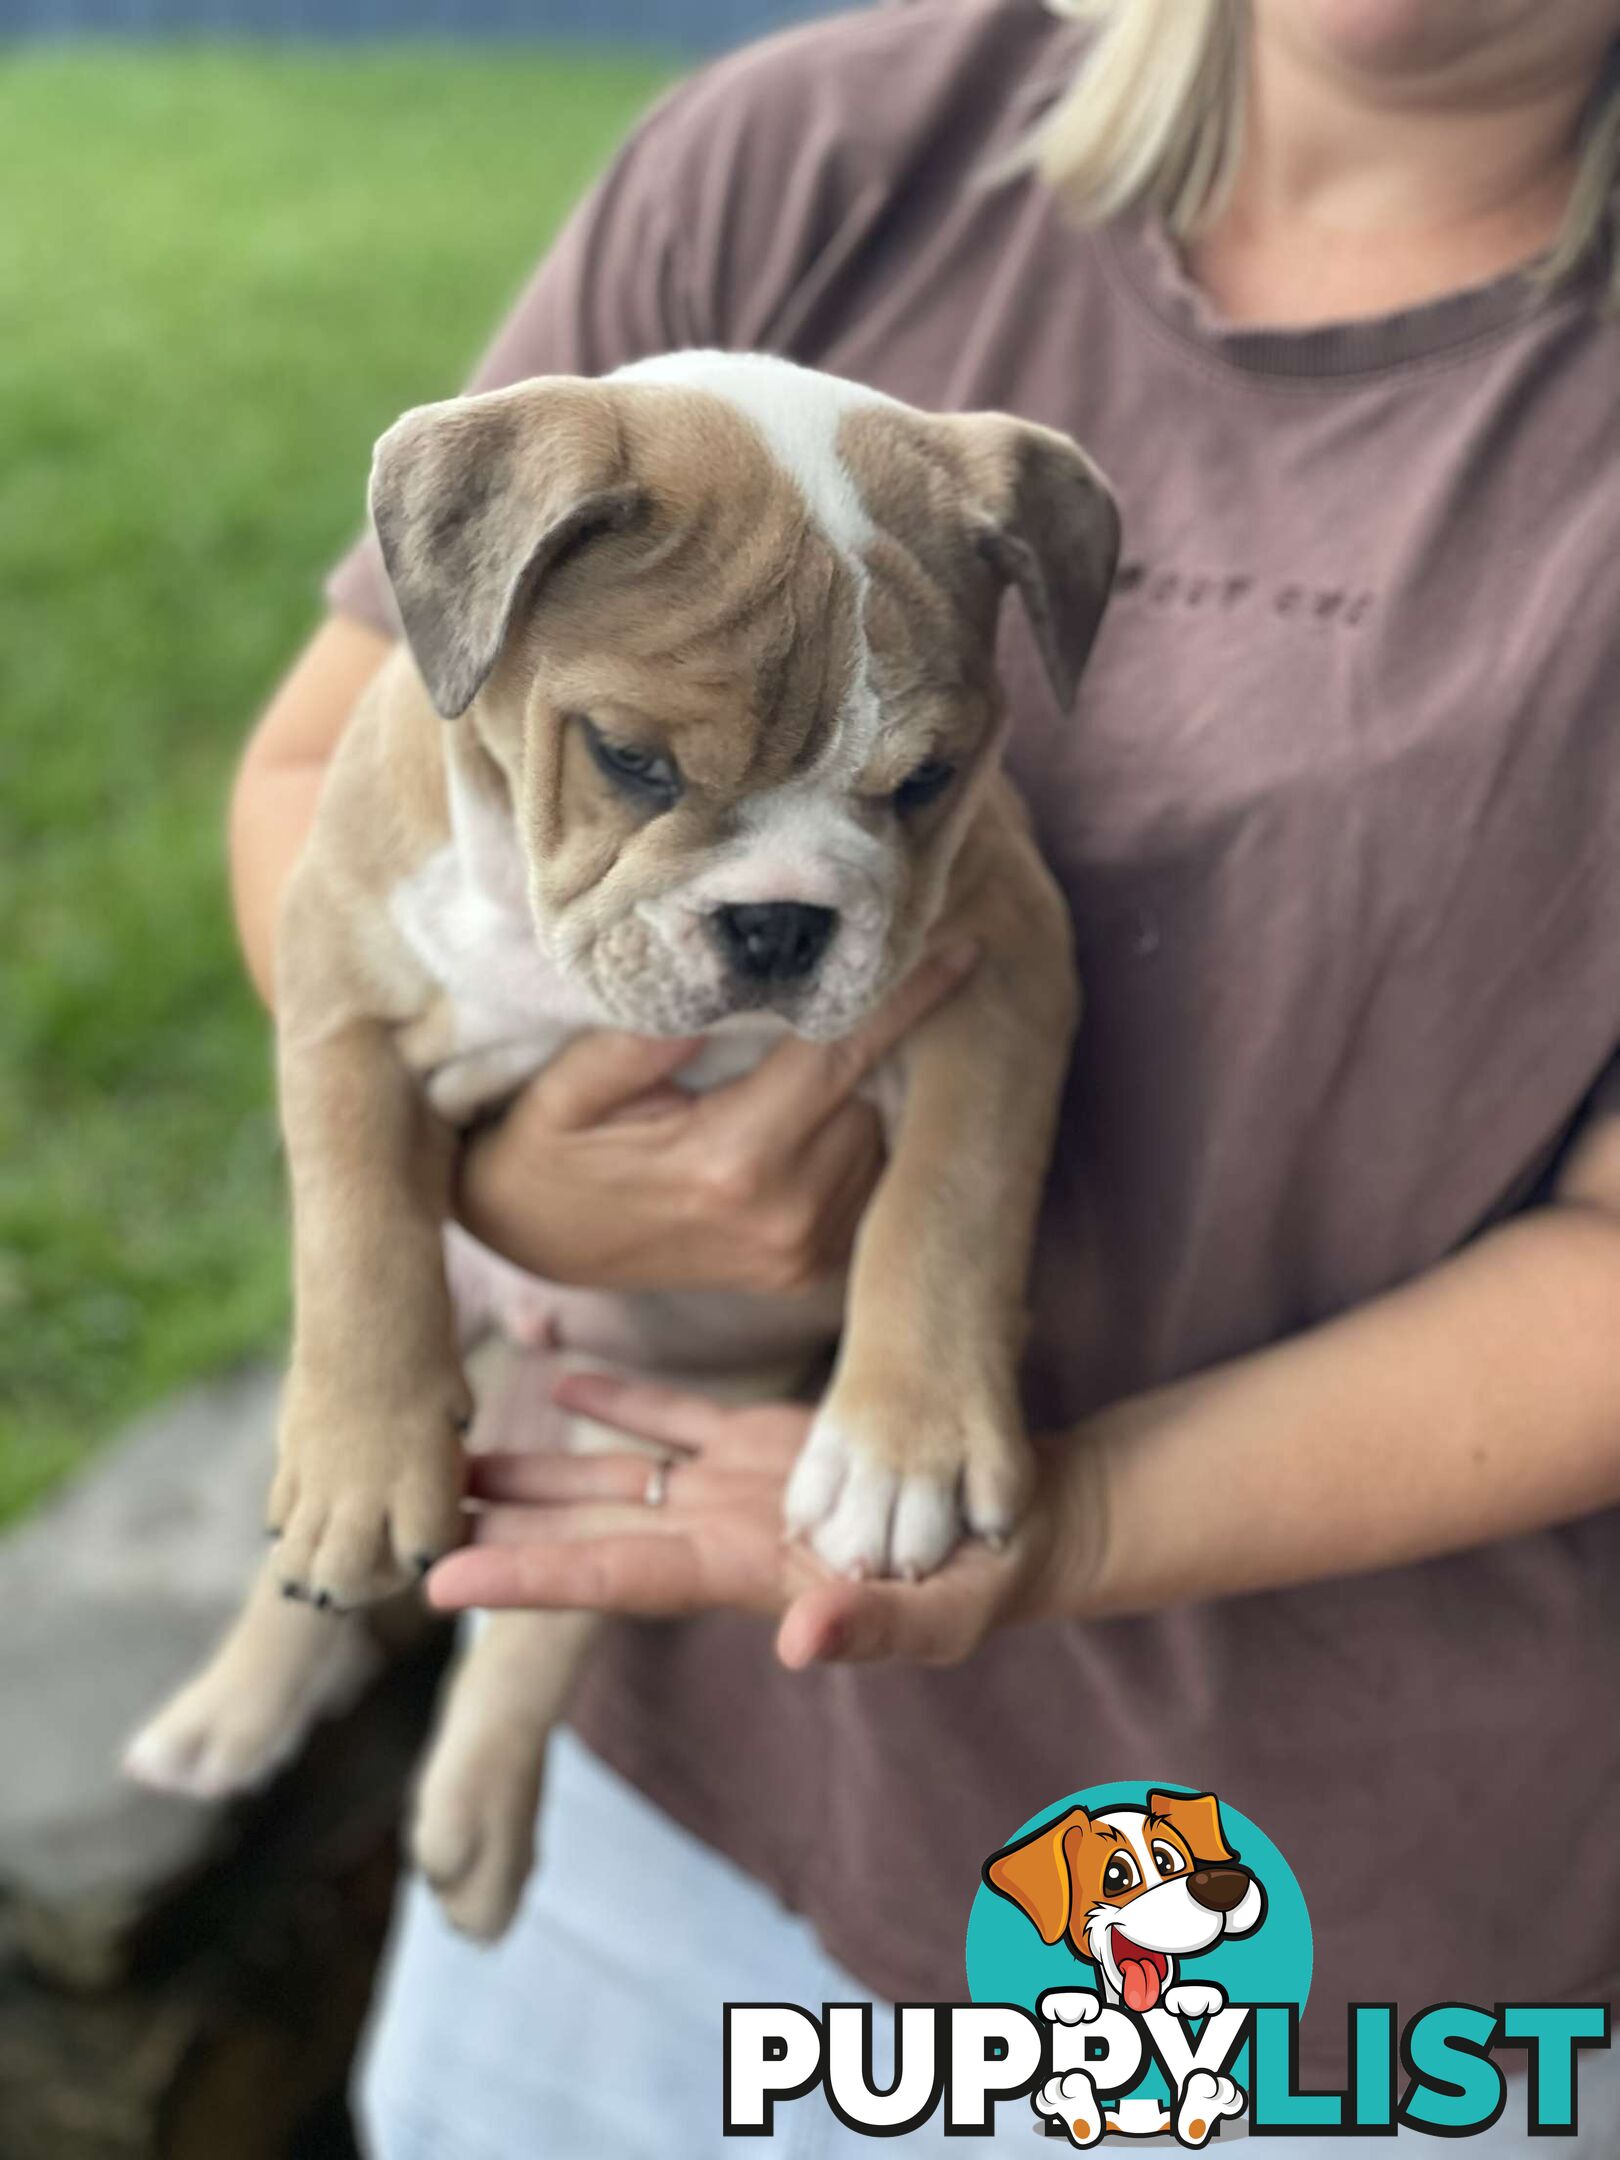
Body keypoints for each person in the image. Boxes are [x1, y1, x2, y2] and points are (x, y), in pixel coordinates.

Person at [230, 1, 1620, 2150]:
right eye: (644, 764)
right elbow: (333, 792)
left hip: (1308, 1929)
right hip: (680, 1743)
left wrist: (1069, 1520)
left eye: (911, 793)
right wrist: (501, 1190)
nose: (788, 902)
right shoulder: (822, 148)